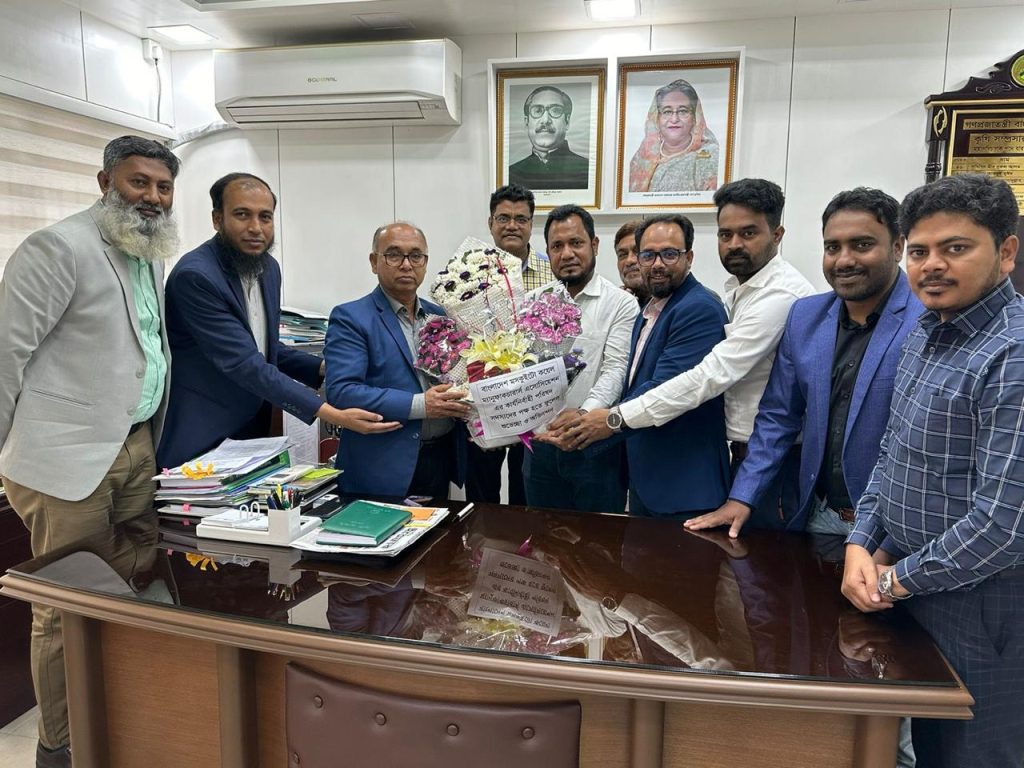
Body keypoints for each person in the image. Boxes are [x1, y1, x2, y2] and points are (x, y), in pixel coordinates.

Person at [0, 135, 180, 768]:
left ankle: (118, 722)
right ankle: (59, 747)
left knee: (134, 582)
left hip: (135, 448)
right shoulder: (57, 247)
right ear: (105, 182)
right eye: (138, 182)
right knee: (64, 608)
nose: (152, 197)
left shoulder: (148, 251)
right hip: (64, 461)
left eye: (162, 186)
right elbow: (6, 355)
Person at [842, 174, 1024, 768]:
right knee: (929, 749)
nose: (932, 265)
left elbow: (1003, 526)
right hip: (914, 589)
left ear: (1006, 252)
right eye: (919, 251)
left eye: (956, 248)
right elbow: (893, 451)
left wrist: (893, 581)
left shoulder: (1012, 353)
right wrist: (860, 542)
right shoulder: (927, 332)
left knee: (976, 755)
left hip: (985, 607)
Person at [571, 180, 813, 525]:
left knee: (760, 559)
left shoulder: (778, 295)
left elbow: (708, 377)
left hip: (770, 462)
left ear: (777, 235)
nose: (734, 244)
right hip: (739, 458)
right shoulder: (730, 292)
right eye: (725, 234)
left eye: (748, 233)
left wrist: (613, 419)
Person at [158, 173, 399, 469]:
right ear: (217, 219)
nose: (256, 228)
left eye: (265, 217)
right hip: (202, 435)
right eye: (242, 215)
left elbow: (266, 348)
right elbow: (245, 363)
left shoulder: (267, 269)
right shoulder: (196, 277)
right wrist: (332, 414)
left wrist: (328, 367)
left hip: (249, 433)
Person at [575, 214, 730, 517]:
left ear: (689, 257)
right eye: (648, 255)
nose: (657, 264)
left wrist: (599, 424)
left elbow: (663, 389)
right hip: (648, 482)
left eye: (669, 254)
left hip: (684, 488)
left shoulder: (699, 308)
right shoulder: (651, 309)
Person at [324, 222, 469, 498]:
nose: (406, 264)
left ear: (425, 262)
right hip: (381, 465)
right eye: (393, 255)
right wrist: (420, 405)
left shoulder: (441, 315)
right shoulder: (351, 318)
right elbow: (342, 392)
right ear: (374, 262)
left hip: (440, 458)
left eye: (416, 256)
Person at [526, 205, 638, 512]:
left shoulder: (621, 303)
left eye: (576, 243)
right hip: (540, 446)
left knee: (598, 538)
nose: (567, 254)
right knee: (541, 533)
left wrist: (584, 415)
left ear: (594, 245)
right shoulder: (532, 302)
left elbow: (616, 369)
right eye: (557, 246)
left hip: (594, 445)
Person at [465, 185, 554, 505]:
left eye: (521, 219)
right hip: (481, 404)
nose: (512, 226)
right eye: (503, 218)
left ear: (531, 224)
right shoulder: (466, 273)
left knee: (526, 495)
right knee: (481, 497)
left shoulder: (552, 272)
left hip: (533, 404)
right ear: (490, 223)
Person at [628, 79, 719, 194]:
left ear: (695, 118)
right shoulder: (642, 158)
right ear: (657, 118)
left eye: (683, 111)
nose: (674, 119)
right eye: (667, 112)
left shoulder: (709, 157)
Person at [508, 86, 589, 190]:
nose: (545, 120)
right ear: (526, 122)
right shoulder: (511, 173)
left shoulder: (587, 170)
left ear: (567, 122)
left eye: (555, 111)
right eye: (538, 111)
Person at [614, 219, 650, 306]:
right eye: (623, 255)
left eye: (637, 252)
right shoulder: (614, 303)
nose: (629, 261)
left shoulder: (676, 304)